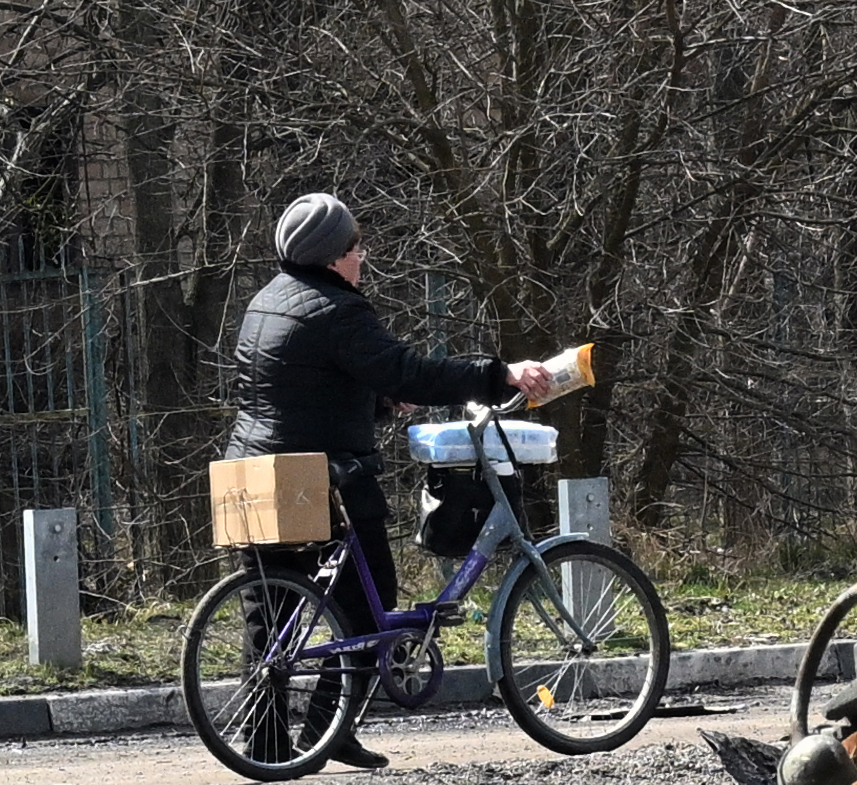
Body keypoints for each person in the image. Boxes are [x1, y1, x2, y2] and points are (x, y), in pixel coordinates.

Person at [222, 192, 589, 749]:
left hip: (251, 471)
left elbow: (293, 385)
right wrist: (501, 375)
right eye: (355, 248)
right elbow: (410, 371)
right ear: (331, 257)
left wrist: (377, 404)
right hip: (322, 478)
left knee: (269, 617)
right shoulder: (337, 309)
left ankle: (267, 747)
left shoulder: (268, 301)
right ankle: (331, 730)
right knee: (370, 604)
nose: (362, 257)